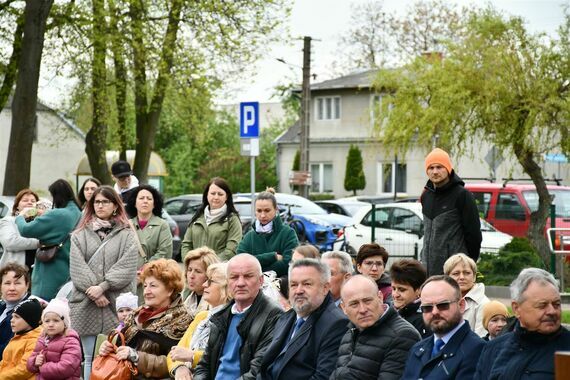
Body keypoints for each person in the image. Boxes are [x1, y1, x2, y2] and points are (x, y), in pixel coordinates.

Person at [68, 185, 140, 380]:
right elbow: (77, 267)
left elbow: (127, 266)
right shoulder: (79, 234)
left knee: (115, 353)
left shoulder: (127, 234)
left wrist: (102, 287)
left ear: (115, 205)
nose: (100, 205)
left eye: (105, 201)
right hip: (85, 303)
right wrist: (95, 292)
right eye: (97, 202)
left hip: (115, 302)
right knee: (89, 355)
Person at [193, 254, 283, 380]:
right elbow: (204, 365)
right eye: (234, 277)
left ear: (261, 280)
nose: (240, 283)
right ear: (228, 282)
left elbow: (258, 372)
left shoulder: (274, 315)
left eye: (248, 276)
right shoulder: (221, 315)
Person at [98, 259, 192, 379]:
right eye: (145, 285)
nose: (146, 291)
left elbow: (176, 362)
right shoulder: (136, 314)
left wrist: (136, 357)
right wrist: (108, 348)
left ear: (170, 290)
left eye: (153, 286)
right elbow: (120, 345)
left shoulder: (182, 319)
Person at [258, 258, 349, 380]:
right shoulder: (286, 317)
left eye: (307, 284)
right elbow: (265, 366)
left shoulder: (337, 324)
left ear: (325, 288)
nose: (299, 291)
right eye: (294, 285)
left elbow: (323, 377)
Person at [474, 268, 570, 379]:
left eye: (556, 304)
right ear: (516, 308)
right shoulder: (493, 349)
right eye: (542, 305)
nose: (552, 311)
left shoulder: (567, 349)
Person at [331, 275, 421, 379]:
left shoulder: (403, 335)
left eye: (367, 301)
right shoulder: (350, 332)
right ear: (344, 308)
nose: (362, 309)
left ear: (380, 297)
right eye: (354, 304)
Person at [401, 275, 485, 380]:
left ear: (461, 305)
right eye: (427, 307)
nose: (434, 312)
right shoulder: (417, 349)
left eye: (443, 305)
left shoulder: (478, 350)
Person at [15, 179, 82, 301]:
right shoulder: (78, 212)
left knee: (43, 307)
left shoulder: (58, 214)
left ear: (57, 196)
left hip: (50, 271)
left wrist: (20, 217)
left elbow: (26, 230)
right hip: (68, 268)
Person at [420, 148, 482, 276]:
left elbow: (473, 233)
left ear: (448, 168)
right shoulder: (426, 195)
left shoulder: (462, 195)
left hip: (453, 270)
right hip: (428, 269)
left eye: (439, 167)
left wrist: (468, 263)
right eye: (431, 168)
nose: (435, 171)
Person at [168, 263, 232, 379]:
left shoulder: (233, 319)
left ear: (227, 287)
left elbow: (228, 357)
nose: (204, 285)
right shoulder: (202, 317)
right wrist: (179, 368)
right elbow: (175, 352)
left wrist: (192, 356)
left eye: (211, 281)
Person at [237, 188, 299, 277]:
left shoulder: (288, 233)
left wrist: (256, 270)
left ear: (276, 209)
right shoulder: (249, 236)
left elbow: (288, 264)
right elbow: (240, 261)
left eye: (267, 210)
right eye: (259, 211)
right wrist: (273, 256)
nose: (262, 215)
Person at [181, 177, 242, 261]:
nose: (216, 197)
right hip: (195, 271)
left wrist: (208, 264)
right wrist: (191, 263)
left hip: (219, 270)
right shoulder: (197, 217)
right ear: (207, 195)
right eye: (213, 193)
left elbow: (231, 251)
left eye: (220, 194)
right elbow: (186, 245)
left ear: (226, 197)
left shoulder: (232, 220)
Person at [27, 298, 82, 380]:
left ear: (65, 323)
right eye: (47, 321)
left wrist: (43, 367)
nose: (51, 324)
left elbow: (66, 367)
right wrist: (35, 362)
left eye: (56, 320)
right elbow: (30, 362)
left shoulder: (71, 341)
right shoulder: (42, 339)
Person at [444, 253, 489, 337]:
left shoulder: (484, 304)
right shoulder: (441, 300)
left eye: (467, 273)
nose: (462, 277)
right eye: (456, 273)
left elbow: (481, 340)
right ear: (447, 277)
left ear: (474, 276)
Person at [126, 184, 173, 261]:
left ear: (154, 204)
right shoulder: (127, 225)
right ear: (134, 203)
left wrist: (146, 268)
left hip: (152, 271)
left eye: (149, 199)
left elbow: (165, 252)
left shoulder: (162, 225)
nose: (145, 201)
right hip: (130, 271)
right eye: (141, 198)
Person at [0, 298, 43, 379]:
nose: (12, 320)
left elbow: (25, 369)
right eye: (12, 317)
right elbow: (4, 363)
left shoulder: (35, 341)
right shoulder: (18, 336)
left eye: (17, 317)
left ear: (30, 319)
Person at [0, 263, 36, 359]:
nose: (12, 288)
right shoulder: (2, 307)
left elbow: (11, 348)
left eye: (17, 283)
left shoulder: (30, 310)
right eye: (7, 283)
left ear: (27, 285)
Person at [389, 259, 431, 338]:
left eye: (402, 290)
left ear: (419, 290)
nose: (395, 294)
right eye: (393, 288)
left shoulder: (425, 319)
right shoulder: (389, 313)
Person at [0, 189, 40, 270]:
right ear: (17, 206)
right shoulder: (8, 221)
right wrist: (39, 242)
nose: (30, 202)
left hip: (37, 273)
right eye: (25, 200)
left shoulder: (40, 222)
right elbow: (10, 242)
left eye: (33, 201)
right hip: (15, 272)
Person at [182, 246, 220, 317]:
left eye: (198, 271)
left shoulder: (215, 305)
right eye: (189, 270)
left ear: (210, 275)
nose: (191, 276)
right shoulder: (189, 300)